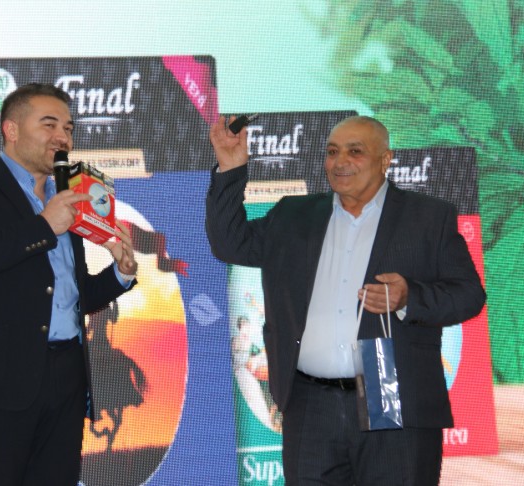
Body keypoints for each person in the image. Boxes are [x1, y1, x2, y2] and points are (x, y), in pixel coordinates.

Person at [206, 115, 485, 485]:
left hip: (388, 390)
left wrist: (409, 297)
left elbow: (468, 295)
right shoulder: (294, 215)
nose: (340, 162)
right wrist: (230, 168)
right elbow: (230, 243)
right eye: (332, 152)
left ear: (385, 160)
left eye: (355, 152)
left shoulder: (427, 218)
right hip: (309, 401)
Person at [0, 83, 138, 485]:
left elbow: (70, 298)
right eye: (49, 125)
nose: (62, 137)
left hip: (66, 379)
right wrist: (44, 225)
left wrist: (121, 273)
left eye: (68, 128)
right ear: (11, 129)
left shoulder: (67, 198)